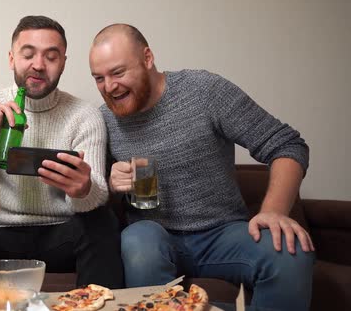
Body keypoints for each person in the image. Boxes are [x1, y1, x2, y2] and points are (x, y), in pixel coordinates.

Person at [88, 24, 315, 310]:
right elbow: (93, 195)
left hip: (223, 233)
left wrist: (274, 210)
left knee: (290, 253)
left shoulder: (204, 91)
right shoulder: (103, 120)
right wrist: (111, 183)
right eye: (99, 78)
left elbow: (287, 144)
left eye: (118, 72)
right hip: (152, 238)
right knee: (137, 240)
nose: (109, 87)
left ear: (147, 58)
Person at [0, 15, 124, 295]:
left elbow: (92, 201)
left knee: (102, 221)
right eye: (28, 55)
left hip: (60, 234)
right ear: (12, 59)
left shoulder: (85, 115)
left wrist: (85, 189)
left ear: (63, 62)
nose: (38, 64)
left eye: (51, 56)